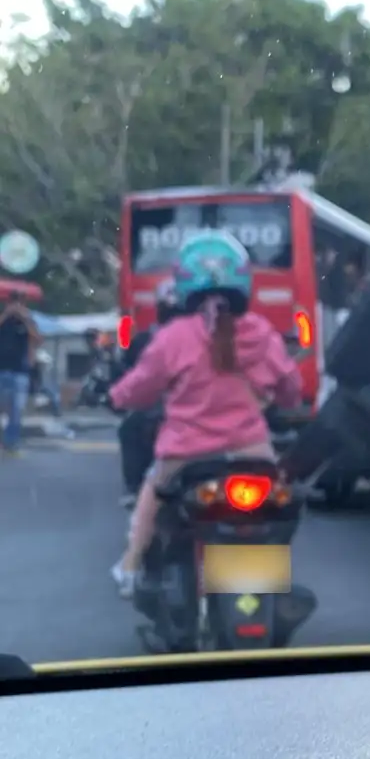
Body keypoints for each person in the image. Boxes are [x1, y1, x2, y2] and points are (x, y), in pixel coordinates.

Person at [108, 230, 303, 596]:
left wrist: (116, 397)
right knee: (281, 504)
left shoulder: (175, 336)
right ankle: (270, 575)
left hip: (185, 454)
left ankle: (130, 566)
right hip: (252, 451)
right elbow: (291, 389)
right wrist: (280, 399)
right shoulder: (262, 333)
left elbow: (140, 386)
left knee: (151, 493)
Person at [115, 277, 180, 507]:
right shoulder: (210, 335)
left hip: (175, 409)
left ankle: (134, 488)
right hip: (174, 408)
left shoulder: (151, 339)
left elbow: (134, 377)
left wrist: (117, 396)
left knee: (129, 428)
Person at [0, 290, 38, 457]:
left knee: (16, 410)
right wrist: (5, 315)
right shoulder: (4, 320)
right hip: (1, 369)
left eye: (20, 303)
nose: (16, 306)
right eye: (13, 303)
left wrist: (26, 319)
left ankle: (11, 443)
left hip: (19, 372)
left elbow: (37, 339)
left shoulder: (27, 322)